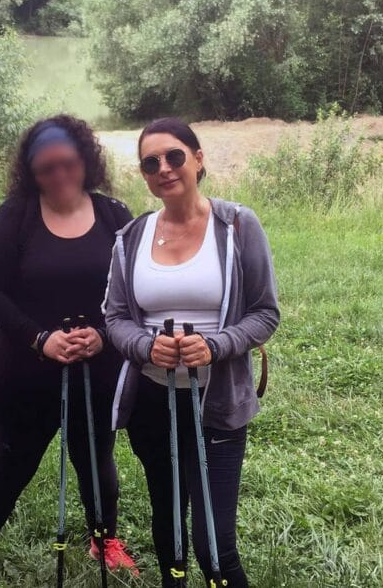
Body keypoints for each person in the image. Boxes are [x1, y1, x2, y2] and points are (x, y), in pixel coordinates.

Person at [0, 115, 137, 586]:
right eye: (45, 167)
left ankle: (104, 537)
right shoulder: (18, 214)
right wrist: (40, 337)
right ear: (31, 171)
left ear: (85, 160)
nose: (58, 175)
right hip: (24, 371)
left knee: (96, 459)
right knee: (12, 463)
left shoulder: (114, 214)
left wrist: (104, 333)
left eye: (66, 163)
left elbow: (133, 290)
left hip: (98, 366)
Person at [104, 118, 280, 587]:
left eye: (174, 156)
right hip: (153, 403)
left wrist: (215, 345)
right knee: (168, 526)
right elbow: (115, 317)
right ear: (143, 174)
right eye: (150, 162)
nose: (164, 168)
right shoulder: (133, 237)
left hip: (217, 401)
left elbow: (265, 313)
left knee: (212, 543)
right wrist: (145, 346)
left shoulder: (238, 225)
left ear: (198, 160)